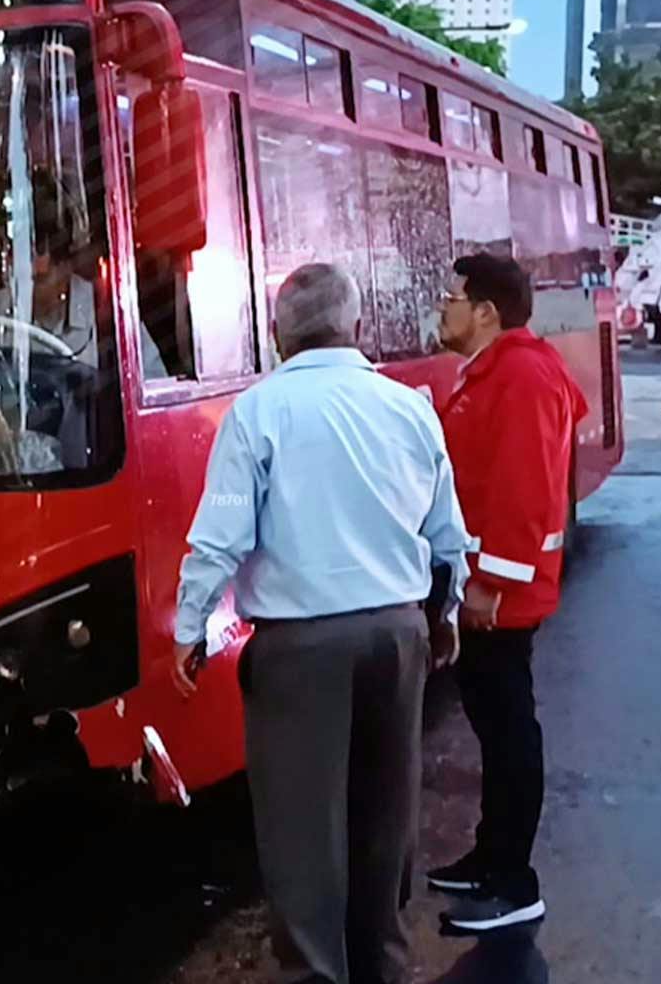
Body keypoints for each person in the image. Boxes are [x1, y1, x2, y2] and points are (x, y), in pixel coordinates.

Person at [171, 263, 468, 984]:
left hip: (301, 649)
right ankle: (383, 967)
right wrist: (447, 610)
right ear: (356, 326)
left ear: (277, 334)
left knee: (303, 830)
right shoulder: (408, 407)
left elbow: (222, 537)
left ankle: (315, 973)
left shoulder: (259, 412)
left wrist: (190, 626)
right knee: (386, 816)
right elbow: (446, 532)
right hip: (399, 634)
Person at [426, 254, 587, 933]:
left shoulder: (518, 374)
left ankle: (514, 882)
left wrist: (491, 581)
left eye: (452, 297)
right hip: (491, 587)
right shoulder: (507, 368)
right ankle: (491, 857)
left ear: (486, 310)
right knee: (496, 727)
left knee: (509, 729)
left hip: (501, 594)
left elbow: (523, 491)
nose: (443, 308)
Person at [0, 240, 168, 378]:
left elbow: (152, 381)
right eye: (20, 278)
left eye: (39, 280)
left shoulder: (108, 313)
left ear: (66, 271)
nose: (27, 290)